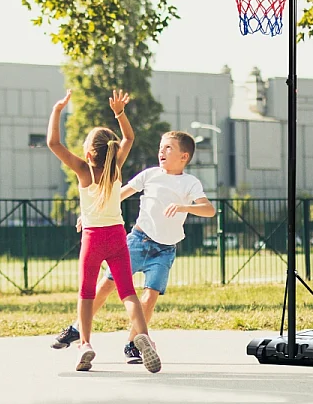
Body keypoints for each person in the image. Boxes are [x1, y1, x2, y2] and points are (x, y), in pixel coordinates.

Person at [51, 130, 215, 363]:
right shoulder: (150, 175)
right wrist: (91, 212)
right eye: (160, 146)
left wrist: (183, 207)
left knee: (149, 297)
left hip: (165, 249)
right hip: (138, 240)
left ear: (184, 157)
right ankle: (77, 327)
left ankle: (134, 343)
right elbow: (116, 193)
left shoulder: (190, 183)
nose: (161, 151)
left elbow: (209, 210)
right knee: (107, 286)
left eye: (168, 147)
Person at [47, 89, 161, 373]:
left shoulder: (84, 170)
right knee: (128, 293)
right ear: (110, 150)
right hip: (117, 237)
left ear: (88, 153)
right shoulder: (115, 169)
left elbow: (53, 142)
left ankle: (85, 344)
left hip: (93, 239)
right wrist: (120, 113)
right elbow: (129, 138)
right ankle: (142, 336)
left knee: (86, 293)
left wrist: (58, 110)